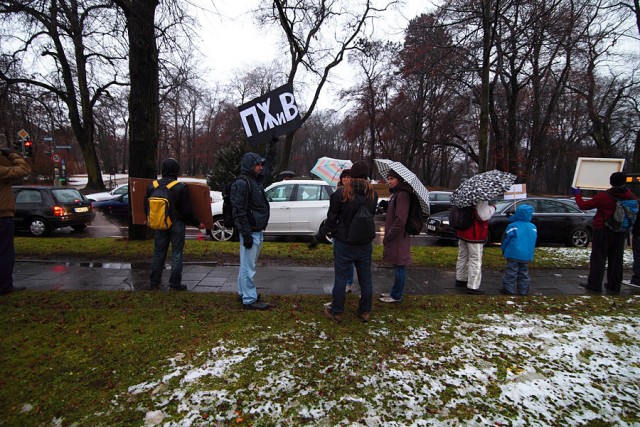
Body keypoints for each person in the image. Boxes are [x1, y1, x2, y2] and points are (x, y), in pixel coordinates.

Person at [311, 160, 378, 323]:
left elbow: (331, 221)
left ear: (352, 174)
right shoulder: (373, 195)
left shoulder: (340, 194)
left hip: (344, 243)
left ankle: (337, 311)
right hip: (364, 243)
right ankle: (364, 311)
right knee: (365, 278)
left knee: (341, 278)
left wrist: (319, 237)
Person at [572, 172, 637, 293]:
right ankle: (614, 285)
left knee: (598, 258)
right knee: (617, 260)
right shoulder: (631, 196)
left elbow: (583, 205)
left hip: (603, 230)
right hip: (621, 231)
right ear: (625, 182)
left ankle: (595, 285)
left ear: (611, 182)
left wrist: (577, 195)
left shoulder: (604, 196)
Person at [145, 158, 203, 291]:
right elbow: (187, 211)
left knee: (159, 253)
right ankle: (175, 283)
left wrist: (148, 218)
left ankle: (154, 282)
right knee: (176, 254)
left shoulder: (152, 186)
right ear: (176, 171)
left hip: (160, 223)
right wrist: (197, 223)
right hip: (177, 224)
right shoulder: (180, 187)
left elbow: (146, 205)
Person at [232, 152, 272, 310]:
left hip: (256, 229)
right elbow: (239, 211)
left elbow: (269, 169)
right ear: (250, 166)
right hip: (251, 231)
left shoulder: (255, 180)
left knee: (247, 265)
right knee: (248, 267)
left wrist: (272, 149)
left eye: (261, 165)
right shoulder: (242, 183)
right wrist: (247, 234)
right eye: (257, 165)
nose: (260, 168)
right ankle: (249, 298)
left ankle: (243, 292)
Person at [0, 148, 31, 295]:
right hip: (2, 216)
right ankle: (4, 285)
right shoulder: (2, 172)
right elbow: (24, 169)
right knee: (5, 252)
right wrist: (12, 155)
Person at [379, 169, 412, 303]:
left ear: (399, 179)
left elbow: (400, 219)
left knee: (400, 265)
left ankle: (396, 295)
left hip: (399, 237)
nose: (390, 181)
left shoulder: (402, 194)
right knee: (397, 265)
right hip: (397, 236)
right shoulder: (397, 194)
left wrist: (390, 235)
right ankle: (394, 292)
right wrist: (387, 206)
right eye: (389, 178)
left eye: (392, 178)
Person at [455, 200, 496, 294]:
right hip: (474, 233)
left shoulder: (465, 197)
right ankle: (473, 286)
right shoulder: (481, 199)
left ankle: (460, 279)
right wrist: (493, 208)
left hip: (462, 230)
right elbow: (483, 216)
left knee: (462, 256)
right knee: (475, 259)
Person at [499, 204, 537, 296]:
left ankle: (509, 289)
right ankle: (523, 291)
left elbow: (505, 239)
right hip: (526, 255)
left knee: (511, 273)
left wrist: (504, 250)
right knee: (524, 274)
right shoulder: (533, 227)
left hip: (513, 253)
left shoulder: (512, 226)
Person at [338, 169, 356, 293]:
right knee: (340, 260)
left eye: (348, 177)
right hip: (338, 230)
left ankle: (348, 283)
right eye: (343, 177)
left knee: (348, 259)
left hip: (349, 230)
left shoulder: (354, 193)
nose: (345, 179)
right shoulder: (338, 190)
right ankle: (342, 282)